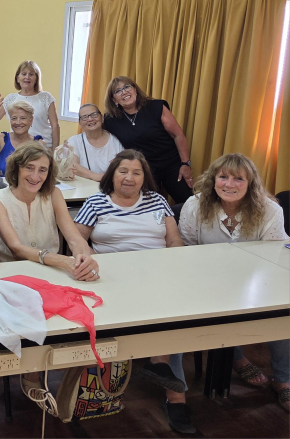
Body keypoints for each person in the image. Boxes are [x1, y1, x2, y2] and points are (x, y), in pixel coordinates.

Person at [73, 150, 192, 433]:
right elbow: (77, 242)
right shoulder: (96, 202)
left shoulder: (158, 201)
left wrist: (172, 265)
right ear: (112, 175)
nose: (129, 177)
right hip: (111, 279)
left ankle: (174, 394)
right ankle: (147, 368)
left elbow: (174, 240)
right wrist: (95, 263)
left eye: (136, 172)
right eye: (123, 171)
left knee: (175, 316)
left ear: (144, 177)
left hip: (156, 275)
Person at [178, 153, 289, 410]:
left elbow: (274, 256)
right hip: (206, 280)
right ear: (213, 180)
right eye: (223, 177)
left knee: (283, 312)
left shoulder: (269, 210)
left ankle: (284, 379)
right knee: (220, 306)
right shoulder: (194, 205)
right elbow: (187, 250)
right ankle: (237, 359)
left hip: (258, 280)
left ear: (250, 184)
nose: (229, 184)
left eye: (239, 179)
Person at [0, 143, 99, 278]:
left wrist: (83, 260)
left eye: (42, 170)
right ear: (16, 168)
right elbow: (16, 249)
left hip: (51, 271)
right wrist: (62, 260)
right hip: (11, 272)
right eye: (29, 167)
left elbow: (74, 239)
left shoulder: (54, 194)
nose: (35, 176)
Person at [103, 76, 193, 203]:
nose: (124, 92)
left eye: (127, 87)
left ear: (135, 89)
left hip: (172, 165)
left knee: (188, 202)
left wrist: (185, 164)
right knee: (148, 207)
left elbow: (178, 135)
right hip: (143, 169)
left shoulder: (156, 107)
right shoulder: (110, 120)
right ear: (114, 99)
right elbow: (100, 137)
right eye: (118, 91)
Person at [0, 60, 59, 150]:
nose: (27, 77)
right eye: (24, 74)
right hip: (17, 150)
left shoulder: (46, 98)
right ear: (17, 78)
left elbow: (55, 126)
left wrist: (55, 151)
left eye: (31, 74)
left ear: (36, 78)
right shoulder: (10, 99)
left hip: (42, 148)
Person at [66, 103, 124, 181]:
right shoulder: (74, 141)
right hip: (82, 186)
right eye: (85, 117)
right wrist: (95, 176)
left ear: (102, 118)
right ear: (80, 123)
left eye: (94, 115)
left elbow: (123, 167)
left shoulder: (115, 141)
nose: (90, 119)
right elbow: (71, 164)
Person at [0, 100, 35, 175]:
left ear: (31, 120)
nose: (18, 122)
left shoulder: (39, 144)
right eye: (14, 118)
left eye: (23, 118)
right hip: (2, 183)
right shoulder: (1, 139)